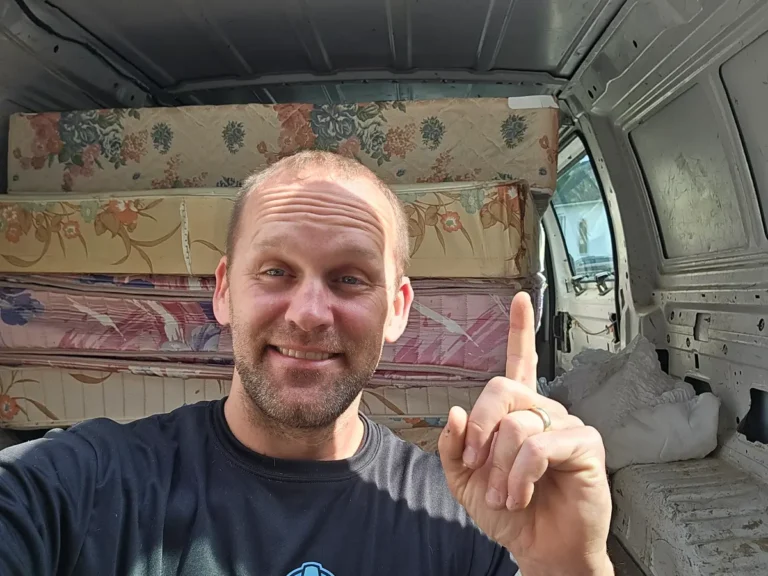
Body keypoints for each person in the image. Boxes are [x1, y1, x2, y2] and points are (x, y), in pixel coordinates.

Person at [0, 150, 613, 576]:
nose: (309, 313)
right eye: (275, 271)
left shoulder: (472, 518)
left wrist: (566, 565)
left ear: (397, 310)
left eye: (349, 278)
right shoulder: (85, 483)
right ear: (223, 292)